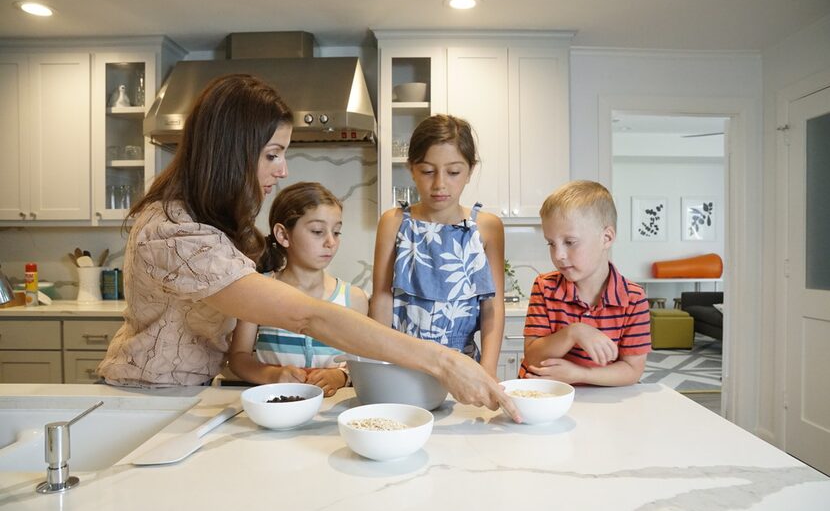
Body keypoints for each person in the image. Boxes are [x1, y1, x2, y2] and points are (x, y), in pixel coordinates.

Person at [95, 74, 518, 420]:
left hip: (186, 397)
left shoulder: (205, 221)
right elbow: (306, 314)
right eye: (273, 154)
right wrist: (442, 361)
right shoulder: (173, 231)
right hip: (146, 404)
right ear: (232, 152)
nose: (282, 170)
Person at [370, 114, 505, 379]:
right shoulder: (394, 222)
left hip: (464, 368)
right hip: (403, 363)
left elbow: (493, 307)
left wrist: (487, 371)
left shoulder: (487, 227)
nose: (440, 183)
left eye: (453, 172)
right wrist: (380, 367)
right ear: (411, 168)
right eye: (428, 171)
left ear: (470, 171)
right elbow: (383, 299)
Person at [228, 182, 367, 396]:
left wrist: (341, 376)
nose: (331, 242)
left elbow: (362, 360)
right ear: (283, 235)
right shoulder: (257, 291)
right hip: (274, 408)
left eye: (337, 232)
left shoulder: (353, 298)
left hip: (332, 414)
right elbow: (238, 358)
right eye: (318, 231)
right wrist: (272, 375)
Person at [520, 180, 651, 386]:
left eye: (570, 242)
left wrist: (580, 374)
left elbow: (632, 370)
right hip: (544, 396)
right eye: (551, 243)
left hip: (601, 402)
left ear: (606, 238)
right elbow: (533, 357)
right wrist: (574, 332)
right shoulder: (545, 287)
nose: (558, 255)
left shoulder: (634, 298)